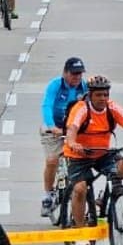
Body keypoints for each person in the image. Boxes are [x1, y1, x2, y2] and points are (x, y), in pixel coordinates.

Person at [62, 75, 123, 245]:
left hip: (102, 153)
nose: (103, 98)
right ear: (90, 95)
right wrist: (73, 143)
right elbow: (72, 128)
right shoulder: (81, 108)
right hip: (78, 155)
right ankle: (80, 232)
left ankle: (103, 199)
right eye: (99, 95)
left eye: (106, 95)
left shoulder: (112, 108)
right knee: (80, 189)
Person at [40, 58, 88, 216]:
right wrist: (51, 126)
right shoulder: (55, 85)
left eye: (79, 74)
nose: (77, 77)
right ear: (65, 73)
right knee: (52, 160)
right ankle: (48, 195)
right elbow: (47, 105)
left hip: (74, 129)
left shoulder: (84, 87)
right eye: (74, 74)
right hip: (55, 128)